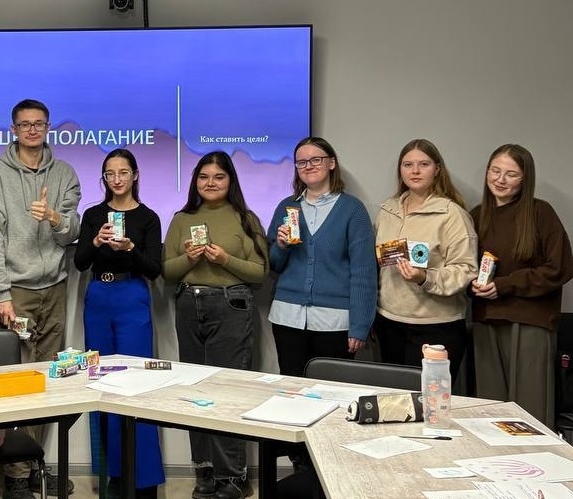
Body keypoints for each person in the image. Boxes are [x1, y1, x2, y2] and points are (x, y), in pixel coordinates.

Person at [0, 98, 81, 499]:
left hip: (54, 288)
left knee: (48, 381)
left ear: (48, 127)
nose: (33, 130)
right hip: (17, 292)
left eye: (39, 124)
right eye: (25, 124)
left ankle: (35, 464)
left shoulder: (65, 174)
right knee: (19, 382)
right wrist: (1, 293)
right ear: (14, 130)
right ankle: (16, 476)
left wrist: (54, 218)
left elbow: (72, 231)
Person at [163, 150, 268, 499]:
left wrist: (225, 259)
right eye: (204, 177)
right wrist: (188, 258)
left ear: (230, 181)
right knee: (196, 391)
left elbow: (260, 274)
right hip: (188, 306)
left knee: (226, 391)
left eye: (219, 177)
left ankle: (233, 477)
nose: (210, 183)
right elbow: (168, 272)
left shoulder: (246, 219)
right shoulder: (182, 219)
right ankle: (204, 472)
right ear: (195, 180)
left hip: (231, 305)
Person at [74, 149, 164, 499]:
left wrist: (129, 249)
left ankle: (143, 481)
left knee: (137, 387)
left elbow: (153, 270)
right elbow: (81, 262)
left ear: (135, 175)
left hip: (132, 296)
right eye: (110, 174)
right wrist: (96, 241)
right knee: (101, 386)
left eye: (123, 172)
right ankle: (112, 476)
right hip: (98, 297)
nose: (117, 179)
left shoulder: (148, 217)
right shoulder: (93, 214)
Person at [470, 144, 573, 428]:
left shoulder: (540, 212)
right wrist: (471, 285)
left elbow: (560, 267)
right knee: (489, 414)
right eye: (495, 171)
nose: (500, 179)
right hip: (485, 320)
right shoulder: (476, 215)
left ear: (525, 179)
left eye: (511, 174)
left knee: (529, 414)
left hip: (530, 323)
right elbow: (463, 265)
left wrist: (505, 285)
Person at [268, 137, 377, 376]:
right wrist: (281, 246)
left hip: (335, 322)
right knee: (291, 387)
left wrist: (359, 326)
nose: (308, 166)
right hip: (287, 318)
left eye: (316, 159)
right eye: (301, 162)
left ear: (331, 163)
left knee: (331, 389)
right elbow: (273, 264)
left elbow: (364, 272)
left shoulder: (353, 209)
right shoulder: (286, 207)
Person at [374, 139, 477, 382]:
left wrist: (425, 277)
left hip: (436, 326)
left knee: (429, 400)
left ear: (437, 169)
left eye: (423, 164)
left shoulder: (452, 215)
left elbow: (465, 269)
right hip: (389, 322)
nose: (415, 171)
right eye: (408, 165)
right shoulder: (388, 210)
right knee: (395, 397)